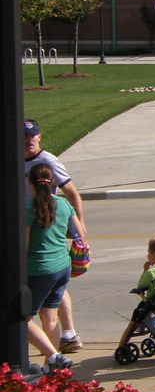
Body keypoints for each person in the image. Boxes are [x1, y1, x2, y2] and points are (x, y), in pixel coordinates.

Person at [24, 119, 85, 354]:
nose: (29, 140)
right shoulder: (61, 205)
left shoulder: (29, 210)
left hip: (39, 266)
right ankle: (58, 355)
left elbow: (26, 245)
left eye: (32, 135)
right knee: (48, 314)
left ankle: (52, 355)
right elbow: (77, 229)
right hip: (61, 264)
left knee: (24, 318)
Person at [116, 236, 155, 350]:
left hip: (153, 305)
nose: (147, 255)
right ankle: (143, 326)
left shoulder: (151, 273)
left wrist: (145, 270)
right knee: (144, 308)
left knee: (137, 314)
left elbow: (141, 286)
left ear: (154, 254)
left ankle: (121, 346)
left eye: (148, 252)